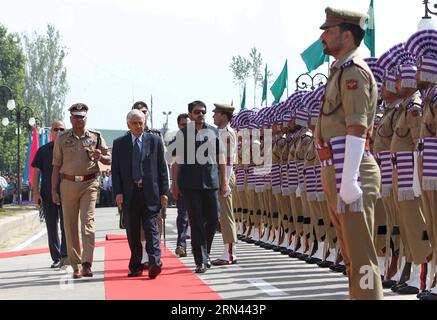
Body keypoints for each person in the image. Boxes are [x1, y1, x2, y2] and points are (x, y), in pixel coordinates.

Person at [315, 7, 384, 299]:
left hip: (350, 170)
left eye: (329, 32)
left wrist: (349, 179)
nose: (323, 38)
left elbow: (357, 127)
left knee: (362, 257)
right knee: (352, 258)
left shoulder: (353, 71)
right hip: (338, 168)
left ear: (347, 35)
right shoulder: (339, 71)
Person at [52, 103, 111, 279]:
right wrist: (54, 190)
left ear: (86, 118)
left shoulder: (96, 137)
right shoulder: (62, 138)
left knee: (88, 223)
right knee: (70, 226)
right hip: (68, 184)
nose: (79, 120)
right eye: (76, 117)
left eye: (82, 117)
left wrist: (101, 156)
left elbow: (108, 159)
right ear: (71, 119)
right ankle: (75, 264)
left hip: (89, 183)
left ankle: (87, 263)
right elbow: (56, 166)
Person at [112, 109, 169, 279]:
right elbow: (116, 172)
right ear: (128, 124)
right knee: (133, 231)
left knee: (151, 228)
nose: (139, 126)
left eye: (141, 122)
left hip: (150, 192)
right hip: (130, 194)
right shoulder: (119, 143)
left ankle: (155, 262)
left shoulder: (155, 141)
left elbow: (162, 169)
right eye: (135, 123)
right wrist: (118, 193)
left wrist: (164, 192)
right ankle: (135, 265)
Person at [172, 100, 227, 273]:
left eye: (203, 111)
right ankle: (200, 260)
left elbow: (221, 159)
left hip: (211, 183)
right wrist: (174, 184)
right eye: (196, 112)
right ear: (190, 114)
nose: (200, 114)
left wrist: (224, 182)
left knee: (212, 220)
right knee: (195, 222)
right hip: (190, 184)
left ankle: (206, 253)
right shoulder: (182, 134)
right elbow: (176, 162)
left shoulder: (213, 131)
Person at [32, 121, 68, 268]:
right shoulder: (43, 150)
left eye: (62, 129)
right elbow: (36, 172)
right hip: (47, 194)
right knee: (51, 226)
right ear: (51, 132)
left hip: (67, 193)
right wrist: (35, 192)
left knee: (67, 226)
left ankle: (66, 255)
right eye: (56, 129)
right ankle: (56, 257)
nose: (59, 131)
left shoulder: (70, 150)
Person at [211, 103, 238, 265]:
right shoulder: (219, 132)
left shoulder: (226, 133)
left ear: (224, 116)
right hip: (220, 176)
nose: (213, 116)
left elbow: (227, 161)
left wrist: (225, 183)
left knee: (227, 215)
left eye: (216, 113)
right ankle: (229, 251)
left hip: (224, 176)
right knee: (223, 215)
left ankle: (229, 254)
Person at [169, 113, 190, 258]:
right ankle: (181, 244)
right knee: (182, 216)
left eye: (188, 124)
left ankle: (200, 248)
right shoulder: (175, 142)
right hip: (183, 183)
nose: (186, 127)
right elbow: (173, 164)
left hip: (200, 185)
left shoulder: (203, 138)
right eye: (183, 125)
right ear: (178, 126)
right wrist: (174, 184)